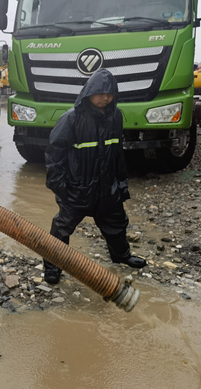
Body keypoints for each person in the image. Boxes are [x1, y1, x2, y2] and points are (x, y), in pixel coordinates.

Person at [44, 68, 146, 285]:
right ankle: (53, 266)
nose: (105, 98)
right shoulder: (71, 118)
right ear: (88, 92)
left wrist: (121, 183)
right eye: (100, 92)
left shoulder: (115, 116)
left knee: (117, 223)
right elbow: (54, 154)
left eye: (110, 93)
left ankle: (121, 255)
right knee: (61, 228)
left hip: (107, 188)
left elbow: (118, 153)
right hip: (77, 189)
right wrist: (61, 187)